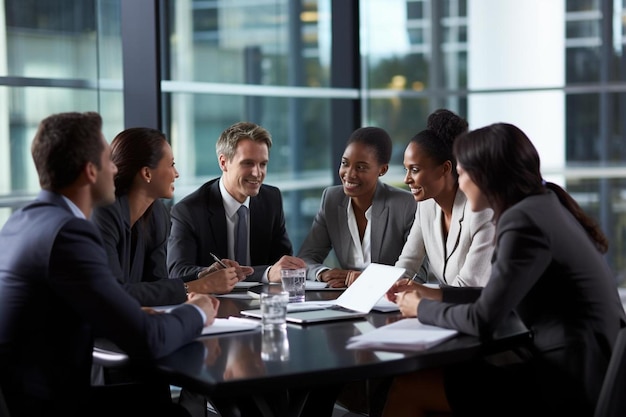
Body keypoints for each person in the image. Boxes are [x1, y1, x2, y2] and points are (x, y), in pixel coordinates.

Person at [386, 122, 626, 416]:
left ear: (484, 176)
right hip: (587, 367)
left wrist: (420, 308)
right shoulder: (543, 203)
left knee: (410, 388)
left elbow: (482, 321)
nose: (459, 184)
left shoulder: (522, 222)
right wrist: (436, 297)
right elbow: (495, 296)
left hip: (568, 382)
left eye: (461, 175)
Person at [0, 112, 219, 417]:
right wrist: (198, 311)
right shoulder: (69, 234)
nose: (116, 169)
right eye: (110, 161)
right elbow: (148, 338)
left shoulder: (21, 222)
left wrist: (131, 310)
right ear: (91, 171)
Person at [91, 127, 253, 305]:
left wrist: (201, 276)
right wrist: (200, 286)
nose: (176, 174)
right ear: (147, 173)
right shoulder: (103, 213)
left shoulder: (157, 213)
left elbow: (156, 284)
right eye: (171, 164)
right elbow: (114, 293)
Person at [167, 121, 305, 284]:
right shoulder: (189, 210)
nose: (257, 173)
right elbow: (177, 272)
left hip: (263, 301)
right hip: (214, 302)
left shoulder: (271, 199)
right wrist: (211, 273)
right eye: (248, 163)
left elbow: (283, 264)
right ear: (223, 162)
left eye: (263, 164)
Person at [297, 126, 418, 288]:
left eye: (361, 167)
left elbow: (418, 273)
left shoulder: (405, 205)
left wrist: (366, 279)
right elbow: (306, 258)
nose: (349, 173)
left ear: (382, 170)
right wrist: (323, 273)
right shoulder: (331, 199)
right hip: (343, 297)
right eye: (345, 163)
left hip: (390, 300)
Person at [395, 109, 495, 287]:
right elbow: (406, 265)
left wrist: (420, 296)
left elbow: (468, 286)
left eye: (415, 170)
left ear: (445, 168)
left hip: (484, 312)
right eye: (406, 169)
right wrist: (370, 285)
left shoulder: (481, 211)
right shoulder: (426, 207)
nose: (407, 179)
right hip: (446, 309)